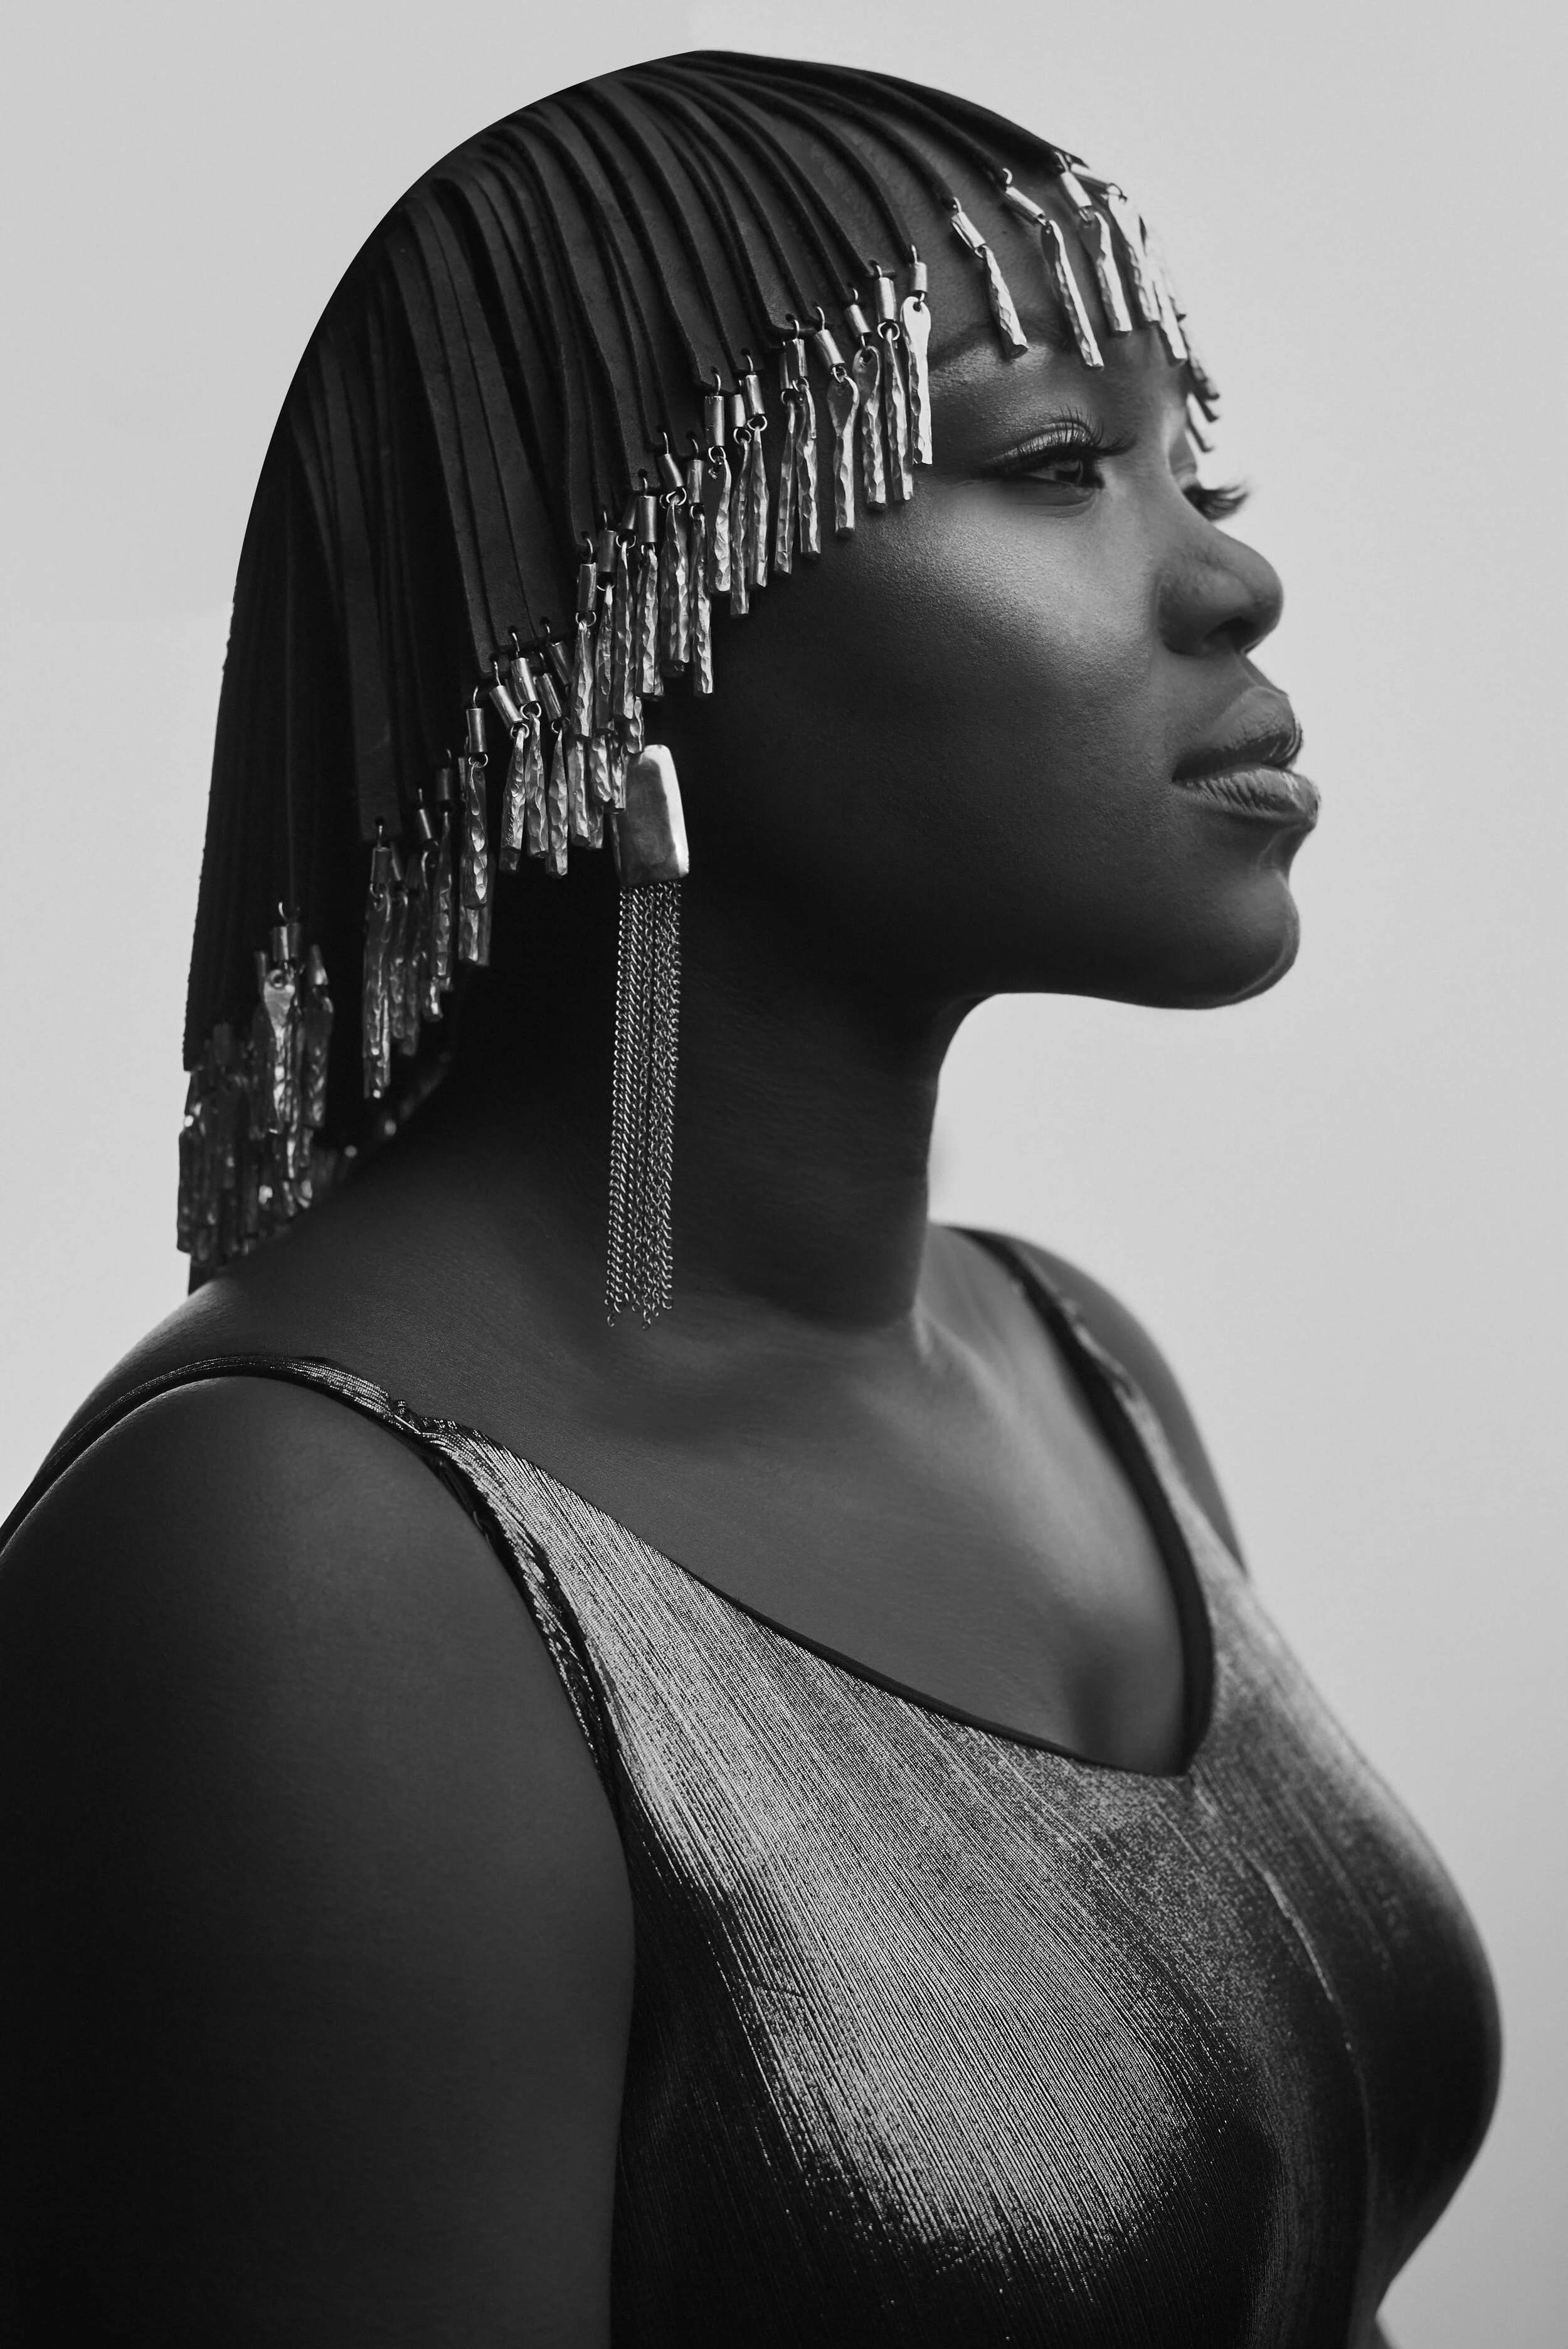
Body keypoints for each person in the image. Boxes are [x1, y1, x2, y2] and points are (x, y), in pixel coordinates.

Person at [0, 55, 1497, 2346]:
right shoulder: (304, 1567)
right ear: (621, 644)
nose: (1228, 569)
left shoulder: (1075, 1363)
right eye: (1050, 465)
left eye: (1191, 464)